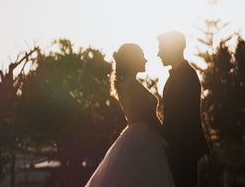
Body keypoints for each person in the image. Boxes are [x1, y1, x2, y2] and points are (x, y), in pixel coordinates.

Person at [85, 43, 175, 187]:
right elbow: (148, 116)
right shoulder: (131, 85)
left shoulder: (128, 84)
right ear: (132, 60)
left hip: (139, 136)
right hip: (145, 138)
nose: (145, 60)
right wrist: (166, 137)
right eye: (141, 57)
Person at [158, 31, 209, 187]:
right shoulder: (180, 75)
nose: (158, 54)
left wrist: (164, 140)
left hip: (182, 150)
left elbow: (180, 118)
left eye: (161, 48)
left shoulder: (185, 76)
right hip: (180, 149)